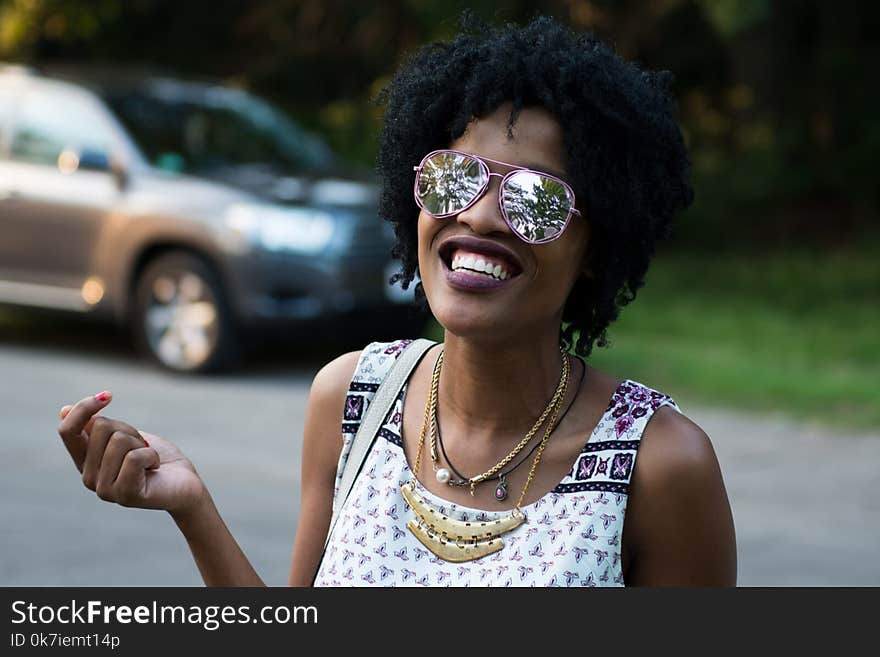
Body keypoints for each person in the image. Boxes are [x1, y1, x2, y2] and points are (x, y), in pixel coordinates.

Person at [57, 15, 736, 587]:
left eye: (535, 199)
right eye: (455, 177)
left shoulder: (659, 466)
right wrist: (193, 507)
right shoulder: (352, 398)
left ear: (596, 247)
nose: (480, 216)